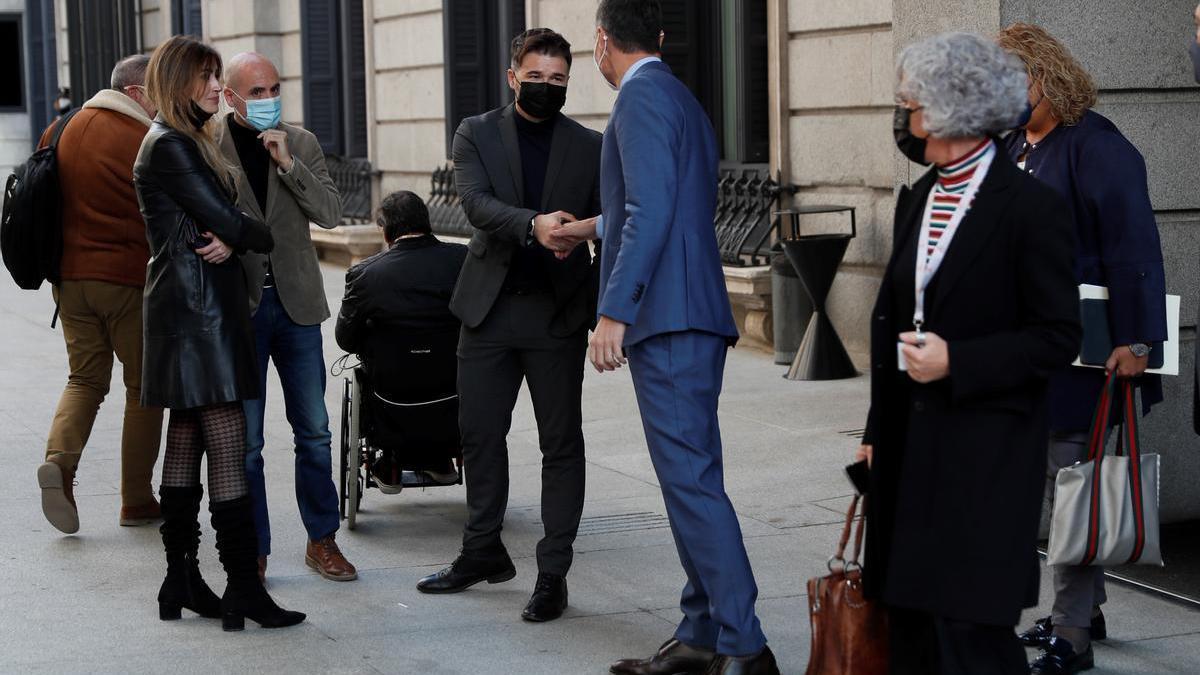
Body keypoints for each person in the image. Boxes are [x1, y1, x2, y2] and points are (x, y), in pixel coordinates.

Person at [550, 1, 778, 672]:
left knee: (692, 483)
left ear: (600, 42)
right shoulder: (677, 96)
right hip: (688, 311)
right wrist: (587, 228)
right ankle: (702, 629)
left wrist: (613, 311)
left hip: (669, 316)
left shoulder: (640, 99)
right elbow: (657, 205)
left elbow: (651, 210)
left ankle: (744, 644)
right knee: (691, 479)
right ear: (656, 36)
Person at [854, 32, 1081, 674]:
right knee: (910, 626)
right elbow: (896, 318)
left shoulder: (1031, 210)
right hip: (907, 448)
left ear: (949, 107)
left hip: (984, 451)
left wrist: (961, 361)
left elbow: (1057, 336)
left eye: (910, 101)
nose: (902, 114)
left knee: (973, 632)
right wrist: (874, 433)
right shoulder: (918, 197)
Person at [415, 28, 602, 625]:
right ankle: (482, 551)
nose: (547, 88)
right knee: (478, 436)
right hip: (489, 310)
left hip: (556, 314)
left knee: (560, 444)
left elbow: (616, 211)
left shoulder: (589, 145)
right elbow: (473, 203)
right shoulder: (476, 131)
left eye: (559, 80)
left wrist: (584, 229)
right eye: (537, 76)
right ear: (512, 75)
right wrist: (536, 225)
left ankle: (553, 574)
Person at [997, 23, 1168, 674]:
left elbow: (1133, 245)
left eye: (1016, 78)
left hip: (1089, 355)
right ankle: (1086, 602)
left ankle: (1072, 630)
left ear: (1046, 76)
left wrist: (1137, 337)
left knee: (1075, 484)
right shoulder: (1013, 144)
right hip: (1030, 350)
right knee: (1060, 481)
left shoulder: (1095, 146)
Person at [134, 35, 302, 630]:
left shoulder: (176, 141)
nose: (215, 89)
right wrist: (242, 233)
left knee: (185, 438)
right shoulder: (173, 146)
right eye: (205, 78)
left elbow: (226, 224)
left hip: (188, 312)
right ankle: (240, 589)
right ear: (177, 83)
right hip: (198, 316)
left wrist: (234, 232)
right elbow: (244, 226)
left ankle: (180, 579)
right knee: (228, 446)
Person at [217, 51, 356, 584]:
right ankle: (253, 547)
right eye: (256, 92)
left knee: (315, 432)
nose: (268, 99)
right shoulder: (210, 146)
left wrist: (288, 165)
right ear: (230, 98)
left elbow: (330, 213)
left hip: (297, 305)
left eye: (273, 88)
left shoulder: (300, 143)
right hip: (242, 309)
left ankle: (322, 540)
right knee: (246, 443)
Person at [36, 55, 164, 534]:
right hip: (127, 280)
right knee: (143, 388)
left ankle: (60, 463)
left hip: (69, 282)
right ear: (134, 93)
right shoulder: (140, 139)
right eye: (156, 91)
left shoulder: (60, 128)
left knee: (85, 379)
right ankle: (136, 498)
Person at [334, 190, 468, 488]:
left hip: (391, 393)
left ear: (385, 229)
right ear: (426, 220)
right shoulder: (462, 259)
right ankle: (440, 457)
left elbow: (346, 339)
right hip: (452, 385)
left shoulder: (366, 274)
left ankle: (390, 460)